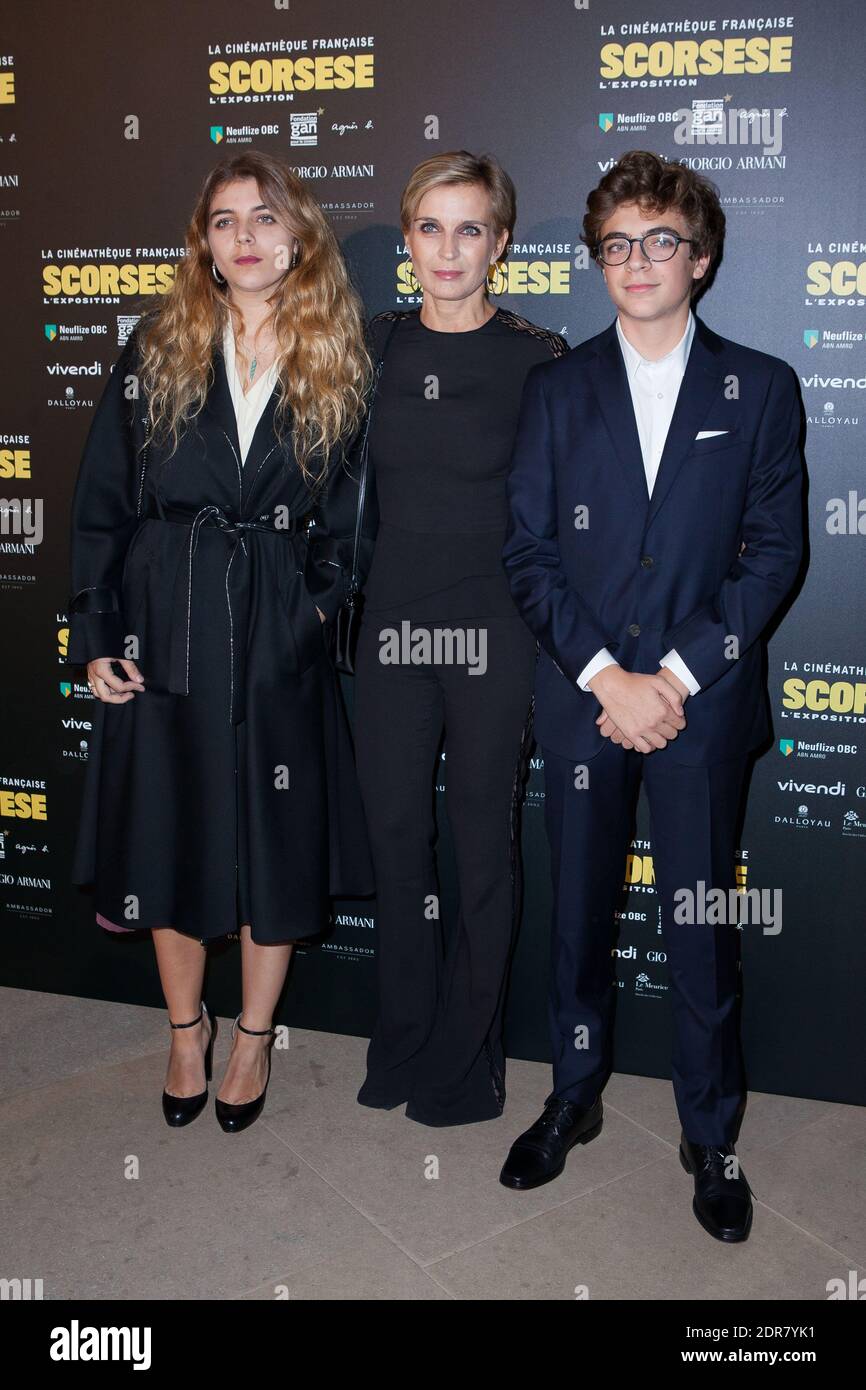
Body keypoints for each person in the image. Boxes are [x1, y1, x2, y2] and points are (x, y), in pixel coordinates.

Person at [500, 150, 804, 1241]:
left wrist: (667, 680)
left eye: (659, 241)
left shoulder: (758, 386)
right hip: (583, 698)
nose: (637, 261)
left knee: (697, 925)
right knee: (576, 916)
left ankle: (707, 1132)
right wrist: (603, 679)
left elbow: (771, 557)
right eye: (616, 245)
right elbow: (529, 553)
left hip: (698, 706)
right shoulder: (554, 387)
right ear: (596, 262)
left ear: (701, 258)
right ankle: (570, 1096)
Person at [67, 150, 374, 1133]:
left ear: (299, 235)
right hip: (169, 616)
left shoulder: (337, 351)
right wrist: (99, 629)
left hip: (278, 620)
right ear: (203, 239)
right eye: (225, 219)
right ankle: (183, 1030)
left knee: (269, 843)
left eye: (265, 217)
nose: (245, 236)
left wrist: (309, 617)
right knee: (169, 832)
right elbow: (101, 502)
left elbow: (356, 521)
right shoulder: (155, 343)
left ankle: (252, 1038)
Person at [352, 151, 568, 1127]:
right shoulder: (370, 346)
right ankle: (401, 1037)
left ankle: (467, 1060)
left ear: (501, 243)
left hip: (493, 633)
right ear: (406, 241)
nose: (448, 248)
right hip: (390, 625)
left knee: (482, 847)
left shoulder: (539, 355)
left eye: (468, 228)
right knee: (397, 840)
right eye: (429, 228)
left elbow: (566, 514)